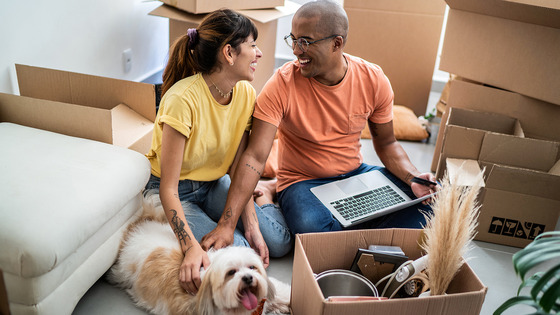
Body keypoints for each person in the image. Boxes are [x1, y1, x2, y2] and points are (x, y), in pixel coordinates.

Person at [200, 0, 437, 246]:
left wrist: (414, 177)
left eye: (305, 42)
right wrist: (226, 225)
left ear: (337, 43)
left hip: (355, 176)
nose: (295, 50)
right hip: (302, 183)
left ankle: (351, 237)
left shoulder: (373, 79)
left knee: (427, 208)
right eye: (293, 39)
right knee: (312, 227)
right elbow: (255, 157)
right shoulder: (281, 84)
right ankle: (364, 234)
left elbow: (387, 143)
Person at [143, 9, 292, 296]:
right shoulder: (181, 100)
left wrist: (249, 223)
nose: (258, 53)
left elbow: (239, 167)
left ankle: (267, 194)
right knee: (240, 254)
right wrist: (189, 247)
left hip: (213, 183)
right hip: (175, 193)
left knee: (278, 241)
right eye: (252, 45)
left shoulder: (245, 93)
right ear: (229, 53)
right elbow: (168, 188)